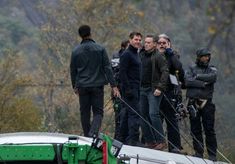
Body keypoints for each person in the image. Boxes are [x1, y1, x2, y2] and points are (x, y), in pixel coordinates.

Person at [70, 25, 120, 137]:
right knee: (98, 112)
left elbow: (73, 70)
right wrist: (114, 85)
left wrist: (75, 86)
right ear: (90, 33)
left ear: (80, 35)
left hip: (82, 86)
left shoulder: (75, 51)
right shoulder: (100, 49)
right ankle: (93, 133)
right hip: (97, 85)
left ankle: (87, 136)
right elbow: (107, 68)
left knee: (84, 112)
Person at [185, 48, 217, 161]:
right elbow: (187, 81)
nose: (206, 58)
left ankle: (212, 155)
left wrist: (197, 77)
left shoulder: (212, 68)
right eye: (204, 56)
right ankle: (198, 153)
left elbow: (213, 77)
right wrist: (203, 83)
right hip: (193, 102)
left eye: (208, 56)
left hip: (207, 103)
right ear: (199, 57)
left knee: (209, 130)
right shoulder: (191, 68)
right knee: (195, 129)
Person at [157, 34, 186, 154]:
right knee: (155, 118)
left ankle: (175, 147)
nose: (162, 45)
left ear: (169, 44)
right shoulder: (153, 55)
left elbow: (179, 68)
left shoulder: (173, 56)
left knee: (171, 121)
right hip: (155, 92)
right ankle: (154, 143)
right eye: (160, 43)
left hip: (169, 93)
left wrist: (169, 51)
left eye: (165, 43)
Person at [139, 35, 169, 150]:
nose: (146, 44)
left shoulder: (159, 56)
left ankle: (161, 141)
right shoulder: (141, 55)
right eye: (145, 42)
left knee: (153, 114)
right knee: (142, 115)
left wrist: (160, 88)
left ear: (155, 44)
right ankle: (150, 141)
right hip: (142, 89)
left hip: (154, 90)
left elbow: (165, 72)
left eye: (149, 42)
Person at [119, 32, 142, 146]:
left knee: (128, 114)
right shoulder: (127, 54)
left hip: (137, 88)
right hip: (130, 89)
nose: (138, 41)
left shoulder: (136, 54)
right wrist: (127, 89)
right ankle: (133, 140)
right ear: (130, 40)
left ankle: (121, 138)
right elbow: (122, 73)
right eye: (135, 39)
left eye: (139, 40)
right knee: (134, 114)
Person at [110, 40, 129, 140]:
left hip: (129, 91)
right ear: (123, 47)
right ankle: (118, 137)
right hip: (118, 91)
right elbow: (112, 73)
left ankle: (127, 137)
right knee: (119, 115)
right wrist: (114, 87)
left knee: (128, 115)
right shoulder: (116, 57)